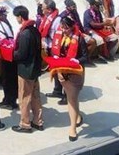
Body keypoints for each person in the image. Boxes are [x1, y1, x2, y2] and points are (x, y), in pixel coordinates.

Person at [49, 13, 85, 142]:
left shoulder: (79, 38)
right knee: (72, 99)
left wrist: (77, 60)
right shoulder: (59, 37)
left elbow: (85, 57)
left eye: (66, 28)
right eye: (62, 28)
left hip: (75, 73)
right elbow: (54, 51)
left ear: (72, 27)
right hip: (62, 72)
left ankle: (72, 128)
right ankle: (77, 117)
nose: (64, 30)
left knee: (72, 99)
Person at [11, 5, 43, 133]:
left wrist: (11, 53)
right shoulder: (35, 30)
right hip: (35, 68)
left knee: (24, 97)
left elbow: (21, 54)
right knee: (35, 96)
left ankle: (25, 124)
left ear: (20, 17)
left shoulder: (24, 34)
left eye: (16, 17)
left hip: (26, 69)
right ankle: (38, 121)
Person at [37, 0, 67, 104]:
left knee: (61, 71)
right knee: (54, 70)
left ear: (49, 10)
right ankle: (57, 90)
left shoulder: (57, 20)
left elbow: (59, 35)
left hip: (57, 48)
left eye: (43, 8)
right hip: (50, 47)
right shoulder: (46, 19)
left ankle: (67, 95)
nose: (42, 10)